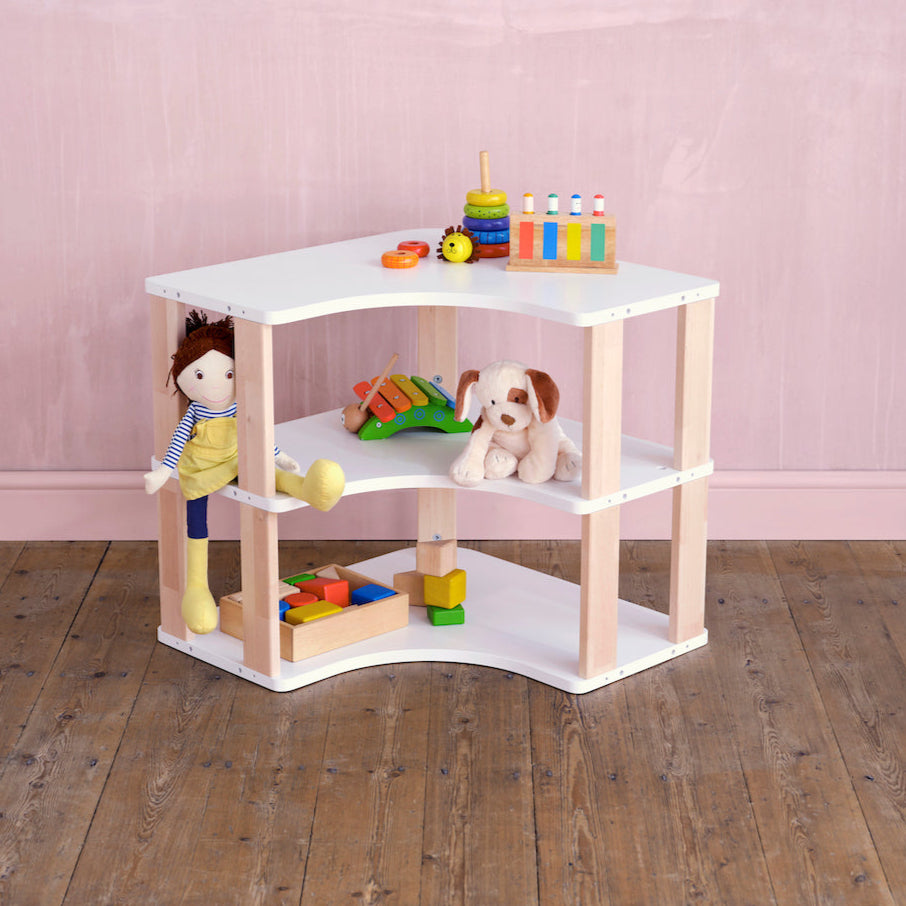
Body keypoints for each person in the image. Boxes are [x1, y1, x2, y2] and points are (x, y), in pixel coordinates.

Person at [144, 311, 344, 633]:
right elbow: (180, 439)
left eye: (228, 375)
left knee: (266, 473)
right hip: (203, 467)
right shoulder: (194, 411)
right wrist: (164, 471)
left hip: (240, 457)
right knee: (196, 522)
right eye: (199, 377)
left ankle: (310, 488)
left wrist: (281, 457)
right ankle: (196, 587)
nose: (216, 386)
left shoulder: (241, 407)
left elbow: (260, 435)